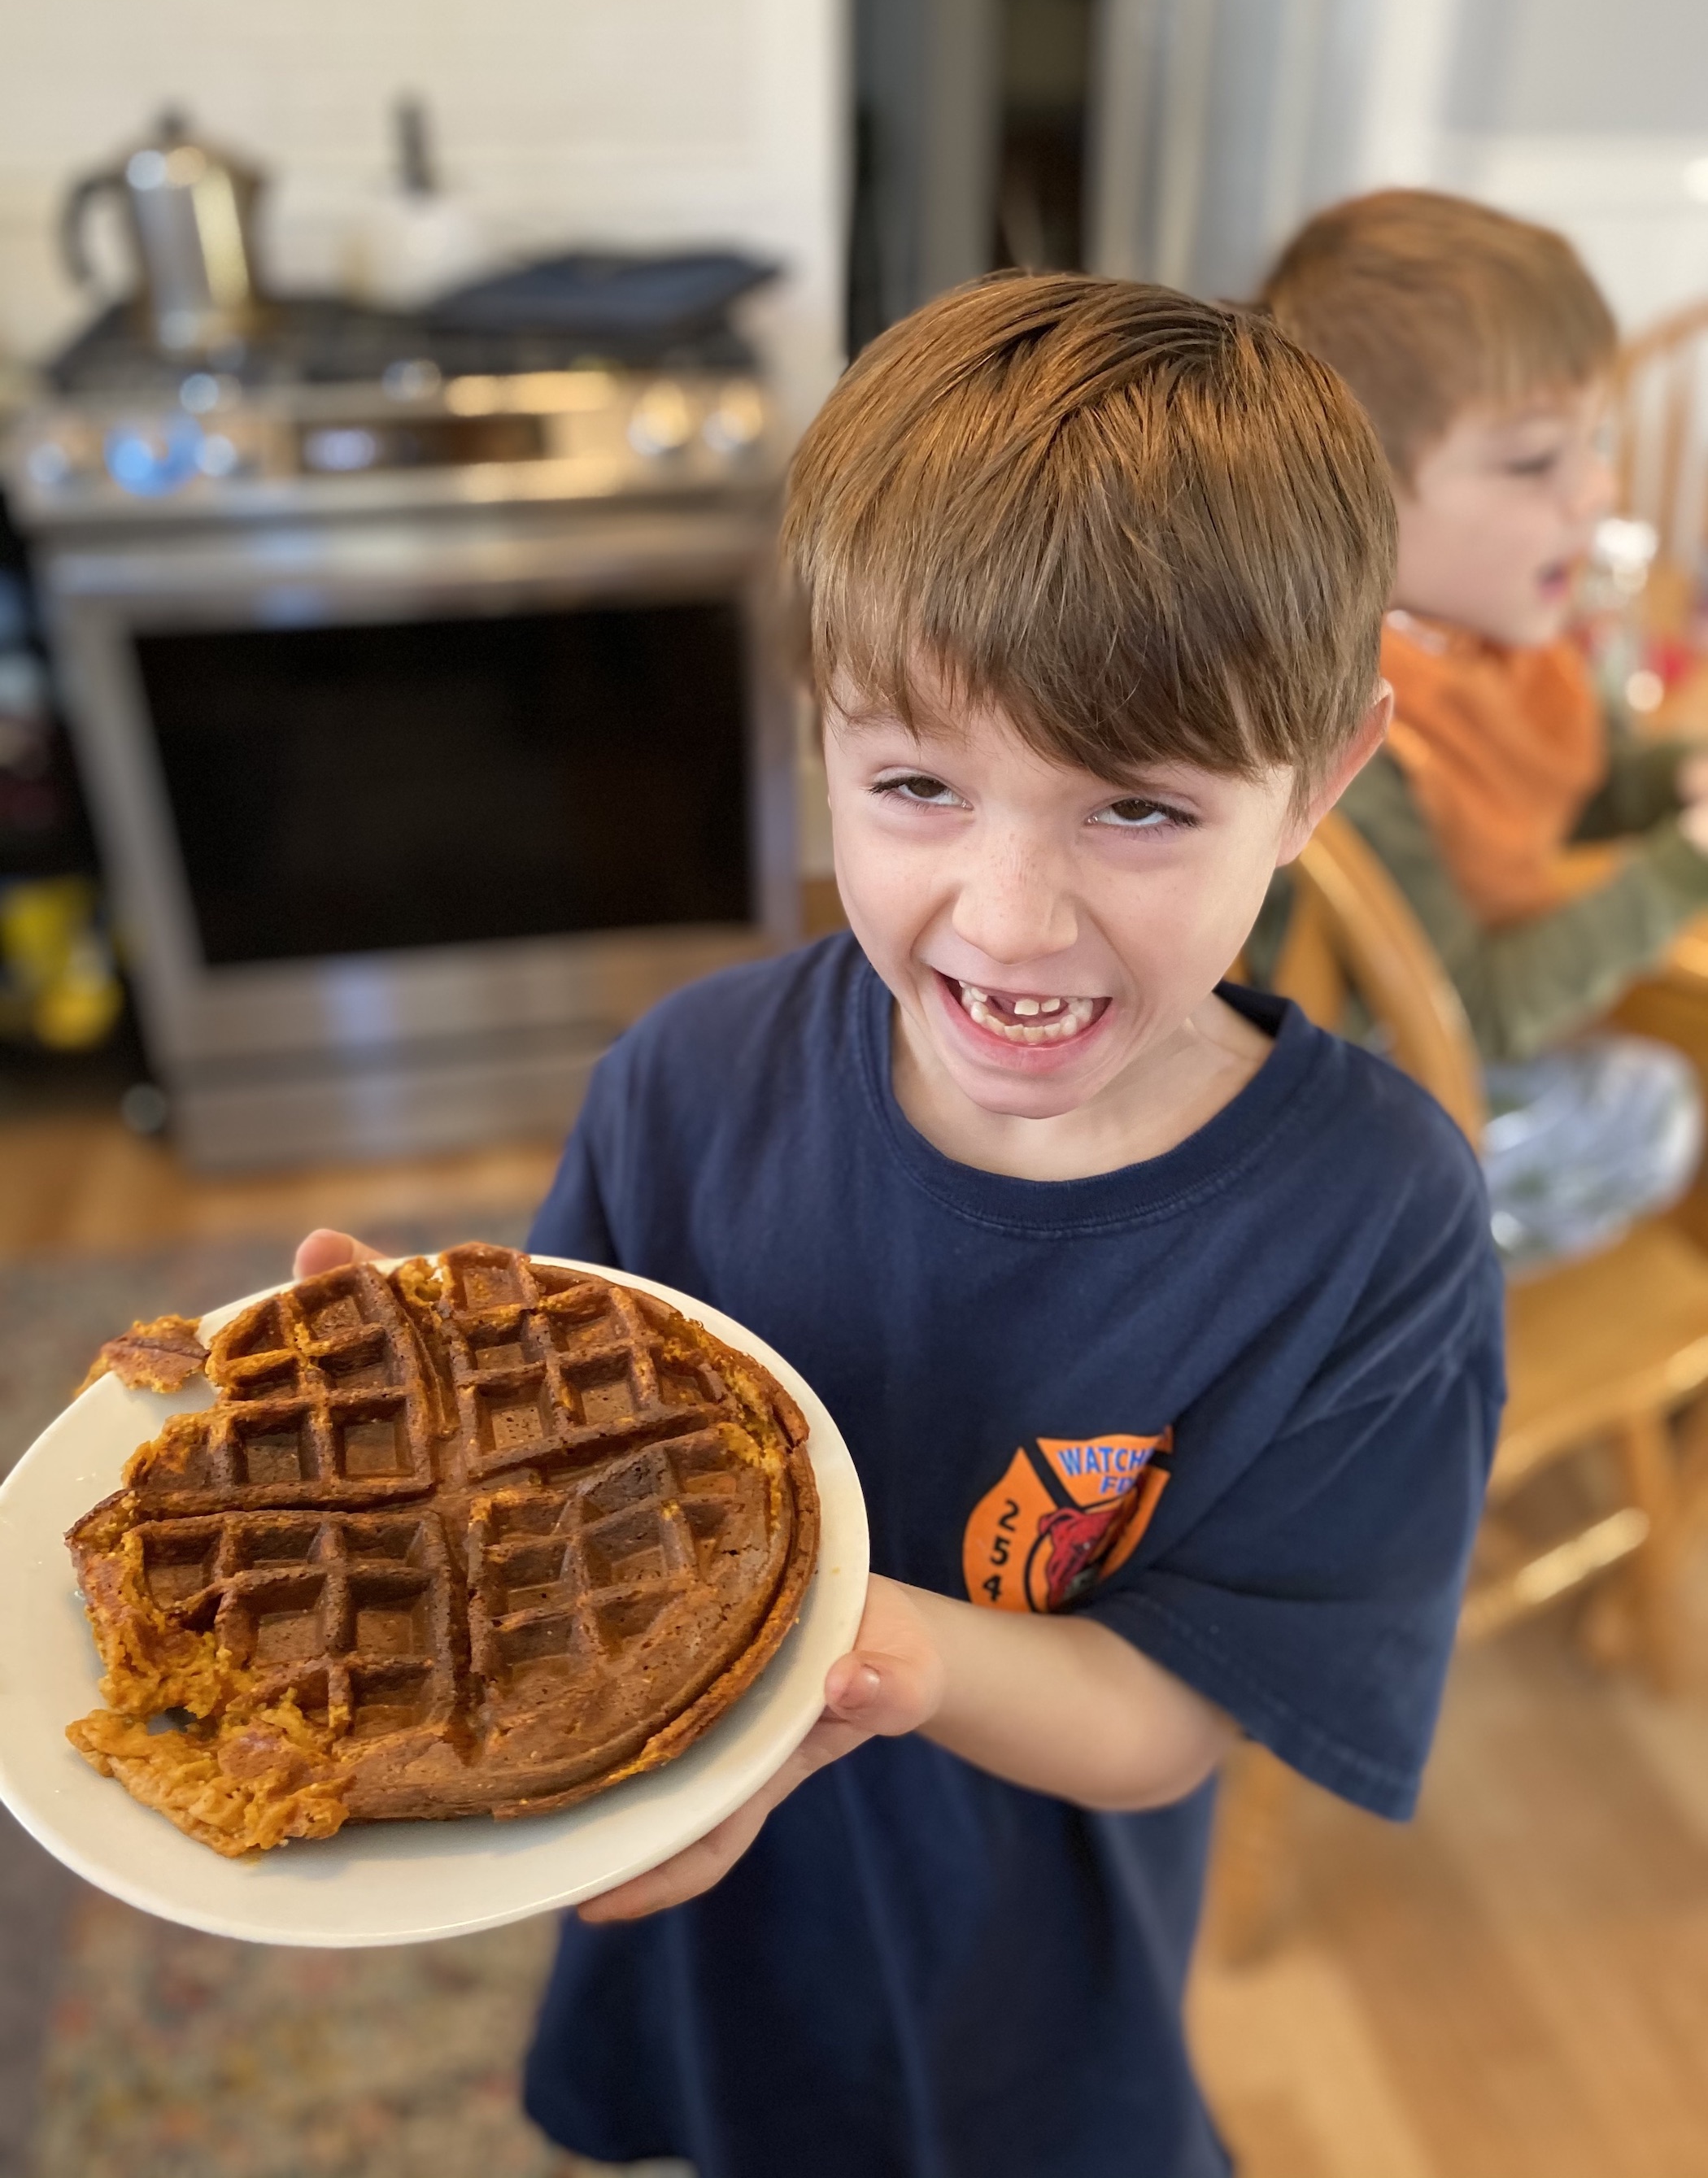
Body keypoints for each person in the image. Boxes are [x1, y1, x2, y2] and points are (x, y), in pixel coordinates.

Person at [295, 274, 1503, 2178]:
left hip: (1016, 1979)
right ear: (821, 742)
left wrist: (861, 1648)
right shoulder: (685, 1083)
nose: (1007, 917)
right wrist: (410, 1437)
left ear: (1319, 783)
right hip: (682, 1898)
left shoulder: (1371, 1223)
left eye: (1137, 809)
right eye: (919, 785)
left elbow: (1174, 1707)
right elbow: (528, 1479)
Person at [1261, 189, 1708, 1268]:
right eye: (1532, 463)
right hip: (1359, 1109)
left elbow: (1578, 774)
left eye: (1593, 446)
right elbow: (1468, 1015)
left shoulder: (1493, 635)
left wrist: (1676, 776)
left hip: (1460, 1002)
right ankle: (1402, 1314)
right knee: (1656, 1105)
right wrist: (1679, 870)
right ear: (1357, 497)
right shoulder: (1352, 727)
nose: (1595, 490)